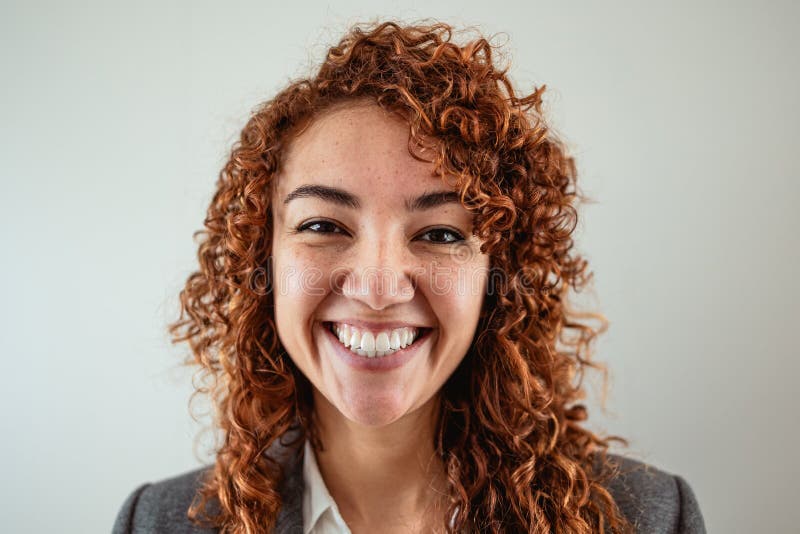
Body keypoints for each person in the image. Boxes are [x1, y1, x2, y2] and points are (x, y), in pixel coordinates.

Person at [112, 20, 706, 533]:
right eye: (323, 225)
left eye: (441, 234)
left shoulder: (646, 519)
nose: (377, 288)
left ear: (498, 275)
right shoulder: (157, 523)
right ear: (260, 260)